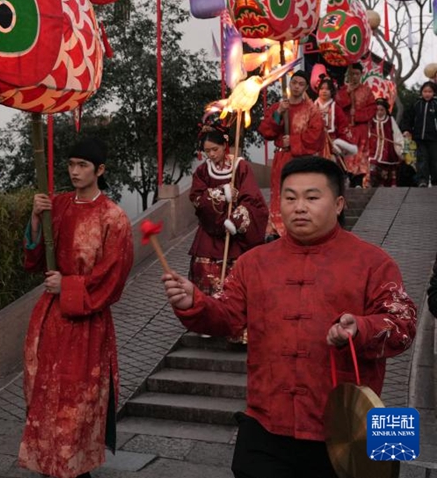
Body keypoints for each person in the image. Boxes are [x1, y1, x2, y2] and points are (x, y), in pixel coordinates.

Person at [161, 156, 416, 478]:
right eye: (290, 198)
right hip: (266, 423)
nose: (299, 207)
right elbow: (226, 316)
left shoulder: (374, 262)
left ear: (338, 204)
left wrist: (362, 328)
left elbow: (403, 325)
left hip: (350, 426)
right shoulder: (253, 262)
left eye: (312, 197)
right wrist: (193, 302)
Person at [18, 138, 134, 478]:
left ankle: (74, 469)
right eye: (70, 165)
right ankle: (47, 467)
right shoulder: (59, 205)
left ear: (100, 170)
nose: (74, 171)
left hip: (87, 324)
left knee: (77, 403)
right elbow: (33, 258)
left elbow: (112, 281)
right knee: (44, 397)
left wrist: (67, 286)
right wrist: (36, 219)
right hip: (50, 319)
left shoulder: (114, 218)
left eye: (82, 165)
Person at [187, 125, 268, 296]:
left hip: (235, 233)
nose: (211, 155)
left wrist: (236, 220)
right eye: (207, 151)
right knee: (204, 270)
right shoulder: (202, 171)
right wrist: (221, 193)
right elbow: (196, 197)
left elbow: (252, 198)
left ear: (225, 145)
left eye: (215, 149)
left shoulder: (241, 167)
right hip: (210, 232)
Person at [258, 70, 325, 238]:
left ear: (305, 87)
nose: (296, 86)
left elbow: (316, 136)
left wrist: (293, 141)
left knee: (297, 194)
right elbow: (266, 131)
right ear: (289, 84)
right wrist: (278, 113)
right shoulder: (280, 106)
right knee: (279, 193)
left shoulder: (311, 110)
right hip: (281, 160)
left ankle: (296, 230)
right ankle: (276, 230)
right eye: (294, 82)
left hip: (300, 161)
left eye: (301, 84)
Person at [336, 62, 377, 187]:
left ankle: (359, 180)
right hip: (347, 128)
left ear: (361, 75)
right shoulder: (342, 90)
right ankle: (347, 178)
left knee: (361, 155)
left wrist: (357, 114)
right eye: (352, 74)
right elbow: (338, 106)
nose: (354, 77)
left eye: (357, 74)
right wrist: (347, 94)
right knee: (347, 155)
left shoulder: (367, 91)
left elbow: (372, 109)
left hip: (361, 129)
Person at [401, 80, 437, 188]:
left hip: (434, 138)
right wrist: (406, 130)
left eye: (430, 91)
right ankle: (422, 180)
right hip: (419, 138)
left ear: (434, 93)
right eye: (425, 91)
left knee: (434, 160)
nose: (427, 94)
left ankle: (435, 181)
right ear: (421, 92)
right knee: (422, 159)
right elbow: (407, 118)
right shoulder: (416, 104)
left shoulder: (436, 104)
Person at [313, 77, 354, 165]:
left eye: (327, 89)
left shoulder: (336, 109)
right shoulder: (311, 108)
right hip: (314, 145)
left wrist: (339, 146)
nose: (324, 91)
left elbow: (344, 129)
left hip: (332, 146)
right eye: (322, 88)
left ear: (332, 91)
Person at [368, 98, 404, 188]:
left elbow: (397, 134)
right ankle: (372, 184)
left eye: (382, 110)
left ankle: (384, 186)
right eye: (377, 110)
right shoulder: (371, 120)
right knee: (372, 165)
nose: (379, 112)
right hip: (374, 149)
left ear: (386, 110)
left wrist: (400, 147)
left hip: (388, 149)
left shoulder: (390, 120)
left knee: (387, 167)